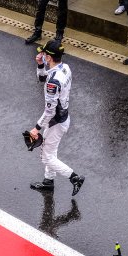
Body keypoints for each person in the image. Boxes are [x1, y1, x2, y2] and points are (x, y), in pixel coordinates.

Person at [29, 39, 85, 195]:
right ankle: (48, 181)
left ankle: (75, 178)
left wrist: (36, 128)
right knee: (50, 151)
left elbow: (50, 111)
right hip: (62, 118)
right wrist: (40, 64)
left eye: (43, 53)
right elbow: (43, 78)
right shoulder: (65, 68)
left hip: (56, 122)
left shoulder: (53, 82)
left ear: (49, 57)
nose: (41, 54)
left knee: (46, 157)